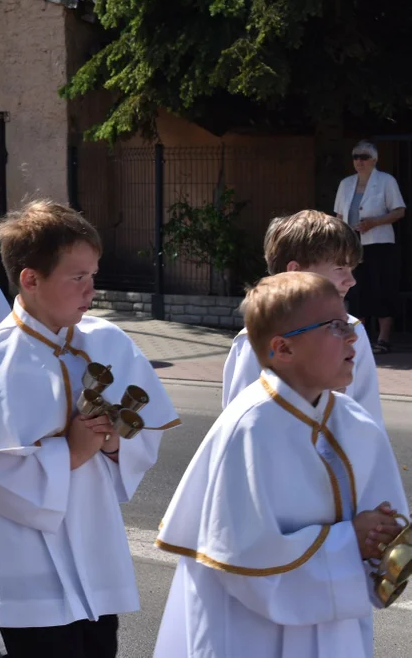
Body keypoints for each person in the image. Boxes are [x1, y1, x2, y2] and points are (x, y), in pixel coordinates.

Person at [0, 200, 178, 658]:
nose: (91, 290)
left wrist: (118, 442)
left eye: (93, 275)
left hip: (94, 541)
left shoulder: (107, 341)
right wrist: (71, 453)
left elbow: (148, 430)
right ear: (31, 280)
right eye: (77, 277)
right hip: (26, 563)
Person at [153, 272, 408, 658]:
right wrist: (349, 539)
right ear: (283, 349)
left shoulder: (356, 423)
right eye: (336, 327)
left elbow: (388, 529)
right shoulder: (250, 427)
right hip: (255, 635)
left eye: (350, 323)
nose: (354, 336)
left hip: (336, 631)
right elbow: (246, 563)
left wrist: (383, 540)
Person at [223, 210, 382, 425]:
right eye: (339, 268)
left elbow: (369, 412)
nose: (350, 280)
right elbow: (239, 419)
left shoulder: (353, 330)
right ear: (296, 271)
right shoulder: (255, 338)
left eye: (352, 269)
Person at [334, 141, 406, 354]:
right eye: (356, 157)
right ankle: (359, 338)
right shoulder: (346, 183)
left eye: (364, 157)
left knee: (382, 288)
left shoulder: (386, 181)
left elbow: (399, 210)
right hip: (353, 245)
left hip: (380, 243)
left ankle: (383, 339)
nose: (359, 161)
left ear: (374, 160)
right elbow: (338, 216)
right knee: (356, 290)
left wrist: (375, 222)